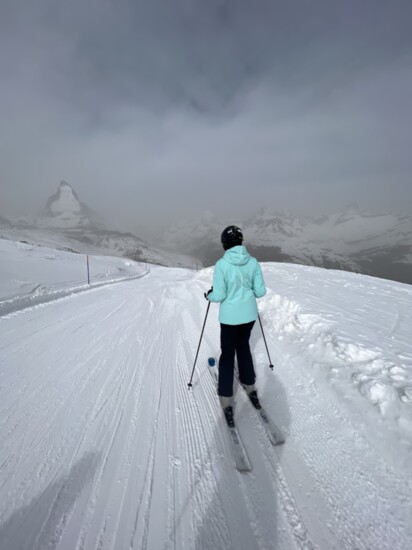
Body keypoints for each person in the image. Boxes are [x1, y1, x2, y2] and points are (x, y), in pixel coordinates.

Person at [205, 225, 266, 427]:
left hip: (230, 318)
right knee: (244, 348)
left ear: (224, 243)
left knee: (227, 354)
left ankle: (226, 396)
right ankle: (250, 384)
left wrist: (209, 295)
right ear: (240, 242)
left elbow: (220, 295)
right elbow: (260, 292)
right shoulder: (254, 262)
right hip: (249, 316)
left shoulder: (222, 265)